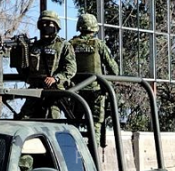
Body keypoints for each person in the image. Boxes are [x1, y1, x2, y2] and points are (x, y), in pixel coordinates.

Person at [14, 10, 77, 119]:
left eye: (49, 24)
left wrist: (56, 78)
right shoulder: (35, 46)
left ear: (56, 26)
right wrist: (18, 56)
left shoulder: (64, 45)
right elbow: (26, 71)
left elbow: (71, 68)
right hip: (35, 91)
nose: (45, 26)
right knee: (23, 119)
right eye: (43, 24)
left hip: (54, 91)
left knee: (52, 121)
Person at [69, 13, 119, 144]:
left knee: (73, 124)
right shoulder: (99, 45)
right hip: (96, 91)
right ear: (94, 28)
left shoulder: (71, 44)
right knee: (96, 125)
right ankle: (93, 157)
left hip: (76, 92)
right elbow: (114, 69)